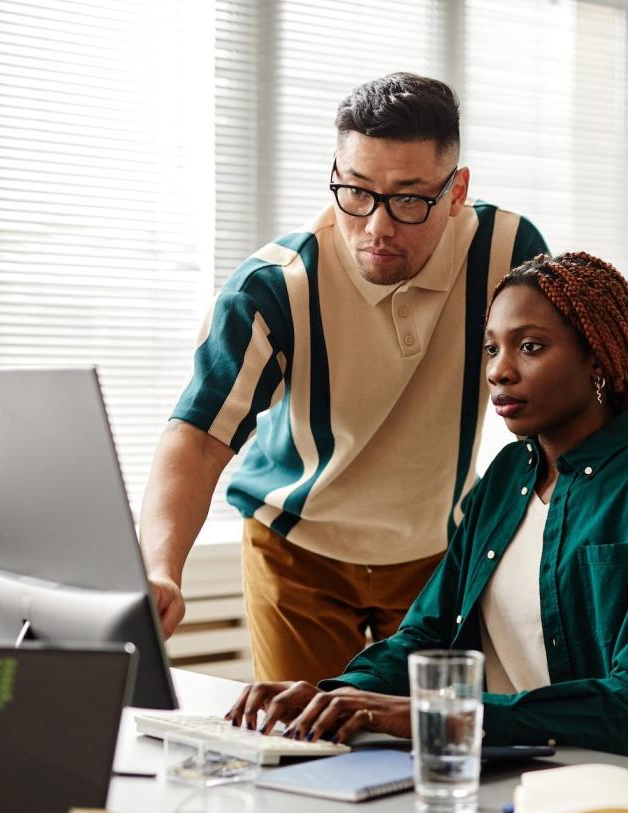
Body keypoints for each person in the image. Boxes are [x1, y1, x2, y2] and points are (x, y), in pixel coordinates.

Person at [227, 252, 628, 772]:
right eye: (492, 348)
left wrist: (442, 716)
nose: (498, 371)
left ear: (597, 359)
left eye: (529, 347)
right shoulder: (509, 474)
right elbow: (429, 634)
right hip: (512, 768)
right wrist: (336, 696)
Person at [140, 73, 547, 682]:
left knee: (426, 744)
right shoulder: (275, 286)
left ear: (457, 189)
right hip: (297, 553)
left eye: (409, 199)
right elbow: (198, 437)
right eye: (355, 192)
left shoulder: (506, 249)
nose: (377, 226)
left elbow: (559, 393)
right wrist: (160, 567)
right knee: (306, 747)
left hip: (437, 553)